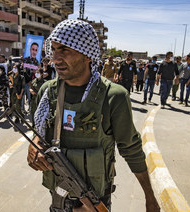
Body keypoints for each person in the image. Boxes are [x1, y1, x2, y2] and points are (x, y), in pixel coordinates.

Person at [28, 19, 160, 211]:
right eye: (54, 49)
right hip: (57, 197)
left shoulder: (113, 96)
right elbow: (38, 134)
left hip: (95, 203)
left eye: (64, 50)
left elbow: (131, 149)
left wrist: (150, 197)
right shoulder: (48, 92)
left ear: (87, 54)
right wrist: (34, 147)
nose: (56, 58)